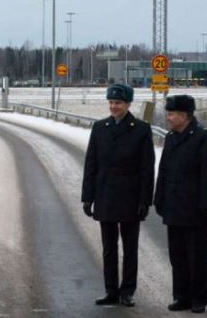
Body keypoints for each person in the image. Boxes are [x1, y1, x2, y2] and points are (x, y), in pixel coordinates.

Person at [82, 84, 155, 308]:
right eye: (111, 103)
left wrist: (145, 200)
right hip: (105, 196)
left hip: (130, 198)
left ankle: (127, 291)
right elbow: (91, 164)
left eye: (118, 103)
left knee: (130, 248)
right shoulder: (100, 127)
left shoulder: (141, 129)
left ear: (128, 104)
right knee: (108, 248)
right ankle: (111, 290)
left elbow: (147, 168)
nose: (114, 107)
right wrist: (88, 196)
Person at [154, 95, 207, 314]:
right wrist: (159, 198)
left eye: (171, 114)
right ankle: (181, 296)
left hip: (195, 209)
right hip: (174, 207)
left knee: (197, 257)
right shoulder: (172, 137)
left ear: (184, 116)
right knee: (177, 256)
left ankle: (199, 298)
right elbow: (164, 170)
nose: (168, 117)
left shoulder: (204, 137)